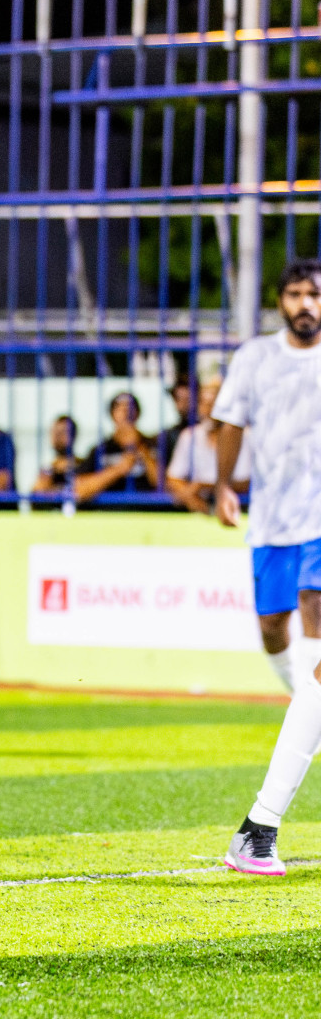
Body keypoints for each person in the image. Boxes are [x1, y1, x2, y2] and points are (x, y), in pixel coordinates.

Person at [213, 259, 321, 875]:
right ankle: (304, 719)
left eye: (315, 294)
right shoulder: (257, 356)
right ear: (282, 301)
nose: (306, 303)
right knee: (277, 632)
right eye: (296, 293)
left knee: (316, 618)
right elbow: (230, 422)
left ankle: (260, 826)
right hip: (275, 520)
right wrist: (225, 484)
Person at [166, 378, 249, 515]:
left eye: (213, 404)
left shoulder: (244, 436)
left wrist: (204, 486)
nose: (207, 411)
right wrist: (189, 496)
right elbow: (173, 478)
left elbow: (245, 483)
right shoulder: (189, 436)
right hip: (196, 511)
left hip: (240, 508)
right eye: (203, 404)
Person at [74, 393, 161, 506]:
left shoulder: (153, 445)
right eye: (120, 408)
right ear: (112, 414)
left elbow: (164, 485)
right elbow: (80, 490)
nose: (125, 412)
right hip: (109, 513)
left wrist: (142, 450)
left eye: (130, 408)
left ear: (137, 413)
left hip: (149, 512)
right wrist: (119, 469)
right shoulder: (101, 449)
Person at [32, 415, 80, 498]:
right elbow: (37, 493)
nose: (57, 437)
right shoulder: (48, 468)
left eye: (62, 432)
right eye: (54, 432)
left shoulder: (83, 465)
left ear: (73, 435)